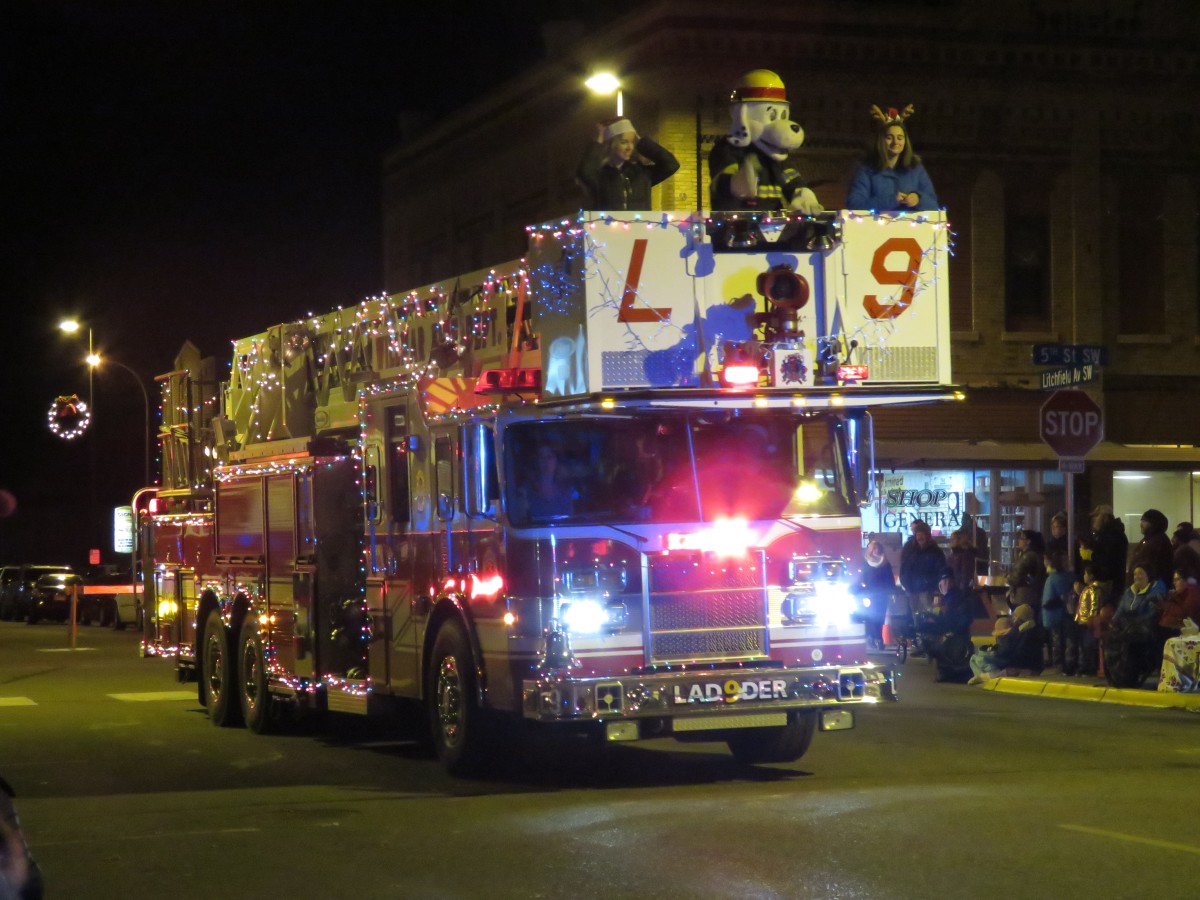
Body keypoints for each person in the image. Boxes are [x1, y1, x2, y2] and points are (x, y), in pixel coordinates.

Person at [845, 104, 939, 212]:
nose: (895, 142)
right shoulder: (867, 170)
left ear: (905, 141)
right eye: (890, 138)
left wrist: (918, 198)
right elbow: (854, 204)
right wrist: (891, 200)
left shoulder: (916, 168)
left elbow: (933, 203)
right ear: (881, 141)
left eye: (900, 138)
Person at [576, 117, 679, 211]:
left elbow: (671, 164)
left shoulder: (642, 174)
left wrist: (642, 143)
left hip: (639, 230)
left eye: (632, 142)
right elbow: (584, 171)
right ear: (612, 144)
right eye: (624, 142)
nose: (630, 147)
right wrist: (598, 141)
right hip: (609, 230)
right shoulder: (601, 177)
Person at [1064, 562, 1108, 677]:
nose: (1084, 576)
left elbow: (1094, 606)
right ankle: (1081, 667)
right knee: (1083, 647)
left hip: (1087, 623)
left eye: (1085, 574)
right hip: (1082, 622)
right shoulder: (1088, 589)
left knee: (1088, 647)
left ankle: (1088, 668)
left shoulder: (1094, 590)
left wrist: (1090, 620)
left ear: (1091, 576)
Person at [518, 442, 578, 521]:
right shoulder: (526, 490)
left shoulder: (567, 490)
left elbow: (571, 519)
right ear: (537, 461)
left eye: (549, 457)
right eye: (541, 456)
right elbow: (522, 519)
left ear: (556, 460)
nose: (545, 461)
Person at [899, 519, 946, 617]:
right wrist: (907, 584)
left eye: (922, 534)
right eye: (918, 534)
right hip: (912, 591)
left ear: (928, 535)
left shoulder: (935, 551)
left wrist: (935, 588)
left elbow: (941, 570)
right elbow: (903, 568)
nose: (919, 537)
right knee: (914, 616)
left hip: (929, 591)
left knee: (933, 613)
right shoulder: (909, 548)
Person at [1041, 548, 1074, 669]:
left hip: (1053, 614)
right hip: (1057, 614)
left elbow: (1061, 596)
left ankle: (1058, 663)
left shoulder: (1053, 577)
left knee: (1057, 641)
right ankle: (1061, 663)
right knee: (1059, 640)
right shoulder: (1061, 577)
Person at [857, 540, 894, 650]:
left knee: (880, 617)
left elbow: (889, 579)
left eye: (877, 548)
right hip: (869, 595)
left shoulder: (885, 563)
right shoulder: (865, 563)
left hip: (881, 595)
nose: (876, 550)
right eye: (874, 548)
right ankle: (872, 637)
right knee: (870, 617)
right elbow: (861, 577)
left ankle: (879, 638)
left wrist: (891, 591)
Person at [1084, 505, 1128, 596]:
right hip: (1104, 584)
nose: (1094, 519)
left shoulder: (1113, 535)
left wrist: (1091, 555)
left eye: (1097, 516)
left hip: (1108, 585)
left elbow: (1108, 560)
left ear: (1106, 518)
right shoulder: (1103, 534)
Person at [1128, 509, 1173, 592]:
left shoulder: (1158, 541)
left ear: (1154, 523)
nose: (1141, 524)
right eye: (1141, 521)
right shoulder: (1148, 540)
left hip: (1150, 589)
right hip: (1144, 587)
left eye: (1144, 521)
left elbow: (1152, 566)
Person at [1005, 529, 1045, 616]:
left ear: (1028, 541)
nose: (1019, 540)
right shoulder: (1034, 554)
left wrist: (1008, 577)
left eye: (1021, 538)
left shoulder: (1028, 556)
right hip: (1032, 594)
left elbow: (1016, 575)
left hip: (1024, 595)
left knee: (1022, 620)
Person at [1156, 568, 1200, 646]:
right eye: (1174, 580)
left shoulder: (1192, 592)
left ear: (1186, 580)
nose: (1174, 583)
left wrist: (1167, 605)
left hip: (1178, 630)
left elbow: (1185, 612)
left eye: (1177, 579)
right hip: (1169, 628)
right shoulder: (1180, 592)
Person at [968, 615, 1016, 684]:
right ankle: (982, 675)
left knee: (980, 657)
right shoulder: (1009, 635)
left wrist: (992, 650)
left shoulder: (1006, 636)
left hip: (1004, 658)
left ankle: (990, 673)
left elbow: (1004, 650)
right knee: (976, 656)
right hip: (1003, 656)